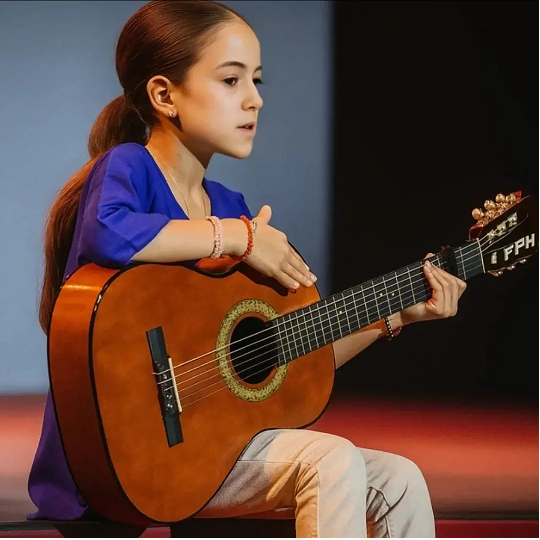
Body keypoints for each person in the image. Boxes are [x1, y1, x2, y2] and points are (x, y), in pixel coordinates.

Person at [28, 1, 467, 537]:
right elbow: (107, 232)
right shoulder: (131, 167)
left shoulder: (229, 203)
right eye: (231, 79)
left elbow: (297, 358)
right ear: (164, 95)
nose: (255, 98)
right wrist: (236, 236)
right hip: (126, 458)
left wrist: (396, 315)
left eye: (256, 80)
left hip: (215, 450)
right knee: (331, 460)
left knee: (400, 479)